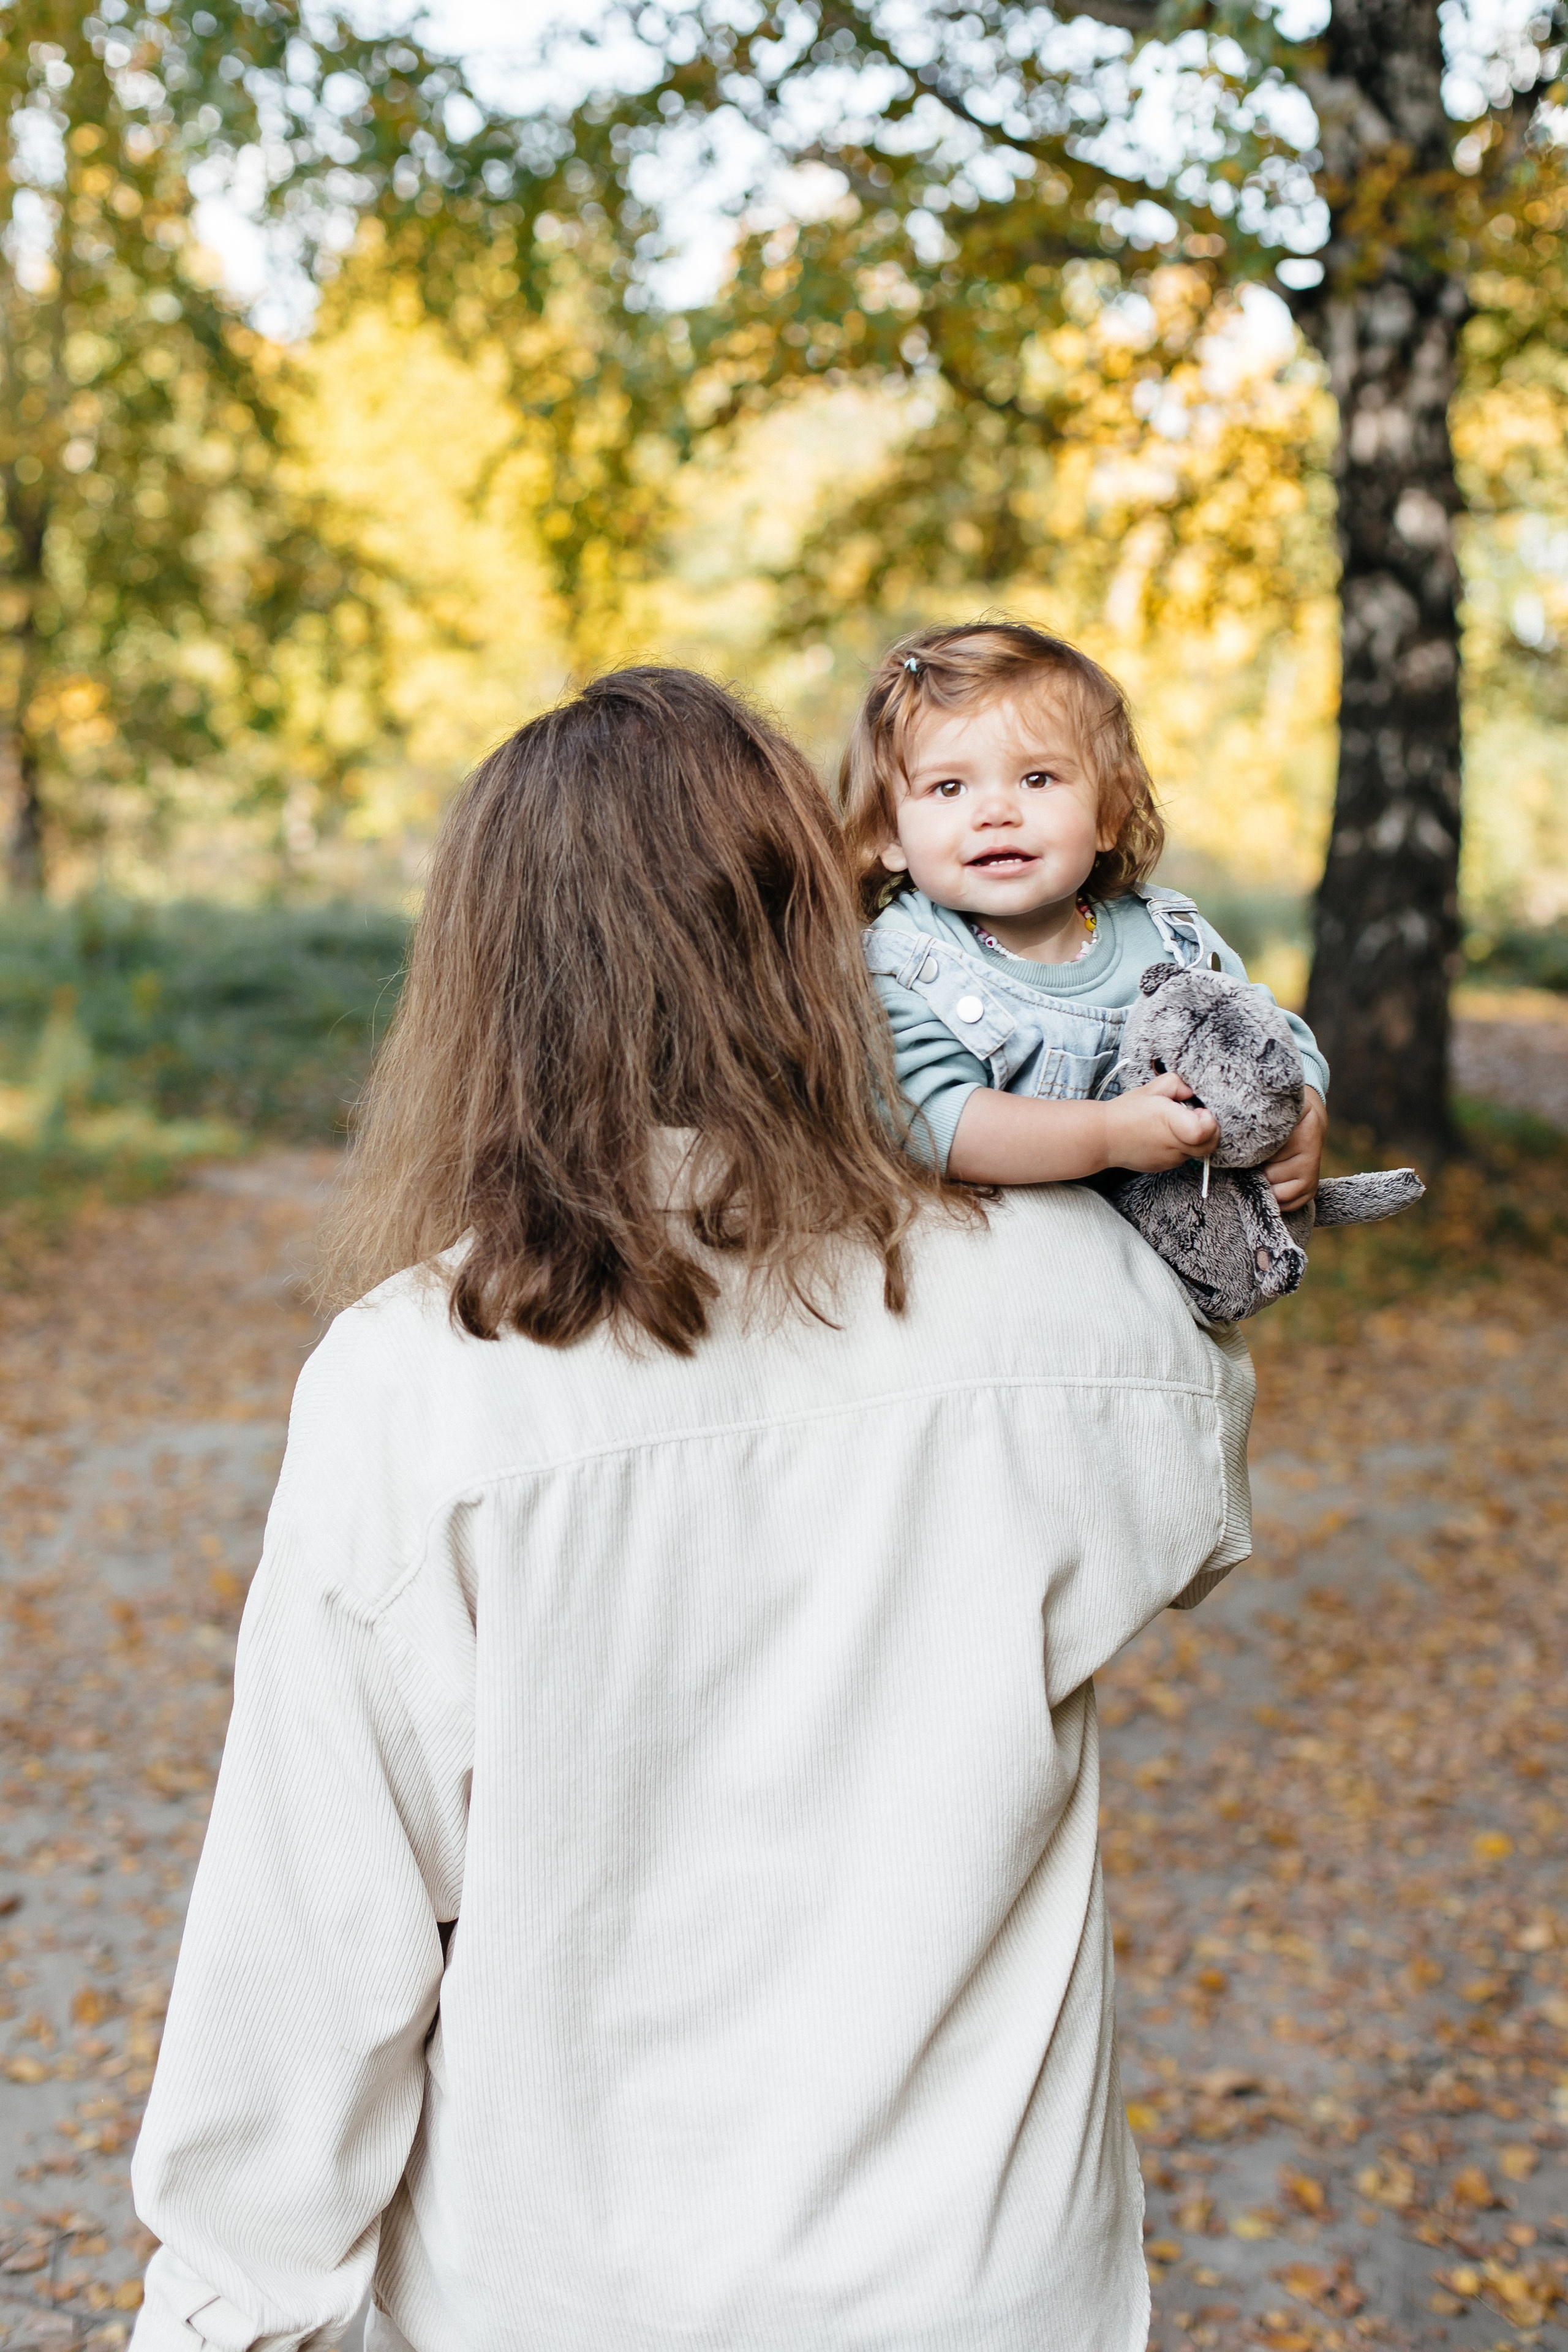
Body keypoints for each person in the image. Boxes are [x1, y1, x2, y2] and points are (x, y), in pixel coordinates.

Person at [129, 668, 1254, 2352]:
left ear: (487, 985)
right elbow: (1195, 1477)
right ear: (828, 937)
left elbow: (318, 1936)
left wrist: (224, 2317)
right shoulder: (1078, 1309)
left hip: (563, 2297)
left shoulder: (417, 1381)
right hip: (988, 2294)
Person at [845, 621, 1329, 1207]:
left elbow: (1264, 1036)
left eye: (1037, 778)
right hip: (987, 1260)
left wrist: (1303, 1108)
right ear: (888, 833)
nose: (996, 811)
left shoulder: (1169, 939)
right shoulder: (906, 958)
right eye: (949, 788)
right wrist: (1106, 1137)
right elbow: (925, 1119)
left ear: (1109, 812)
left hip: (1152, 1272)